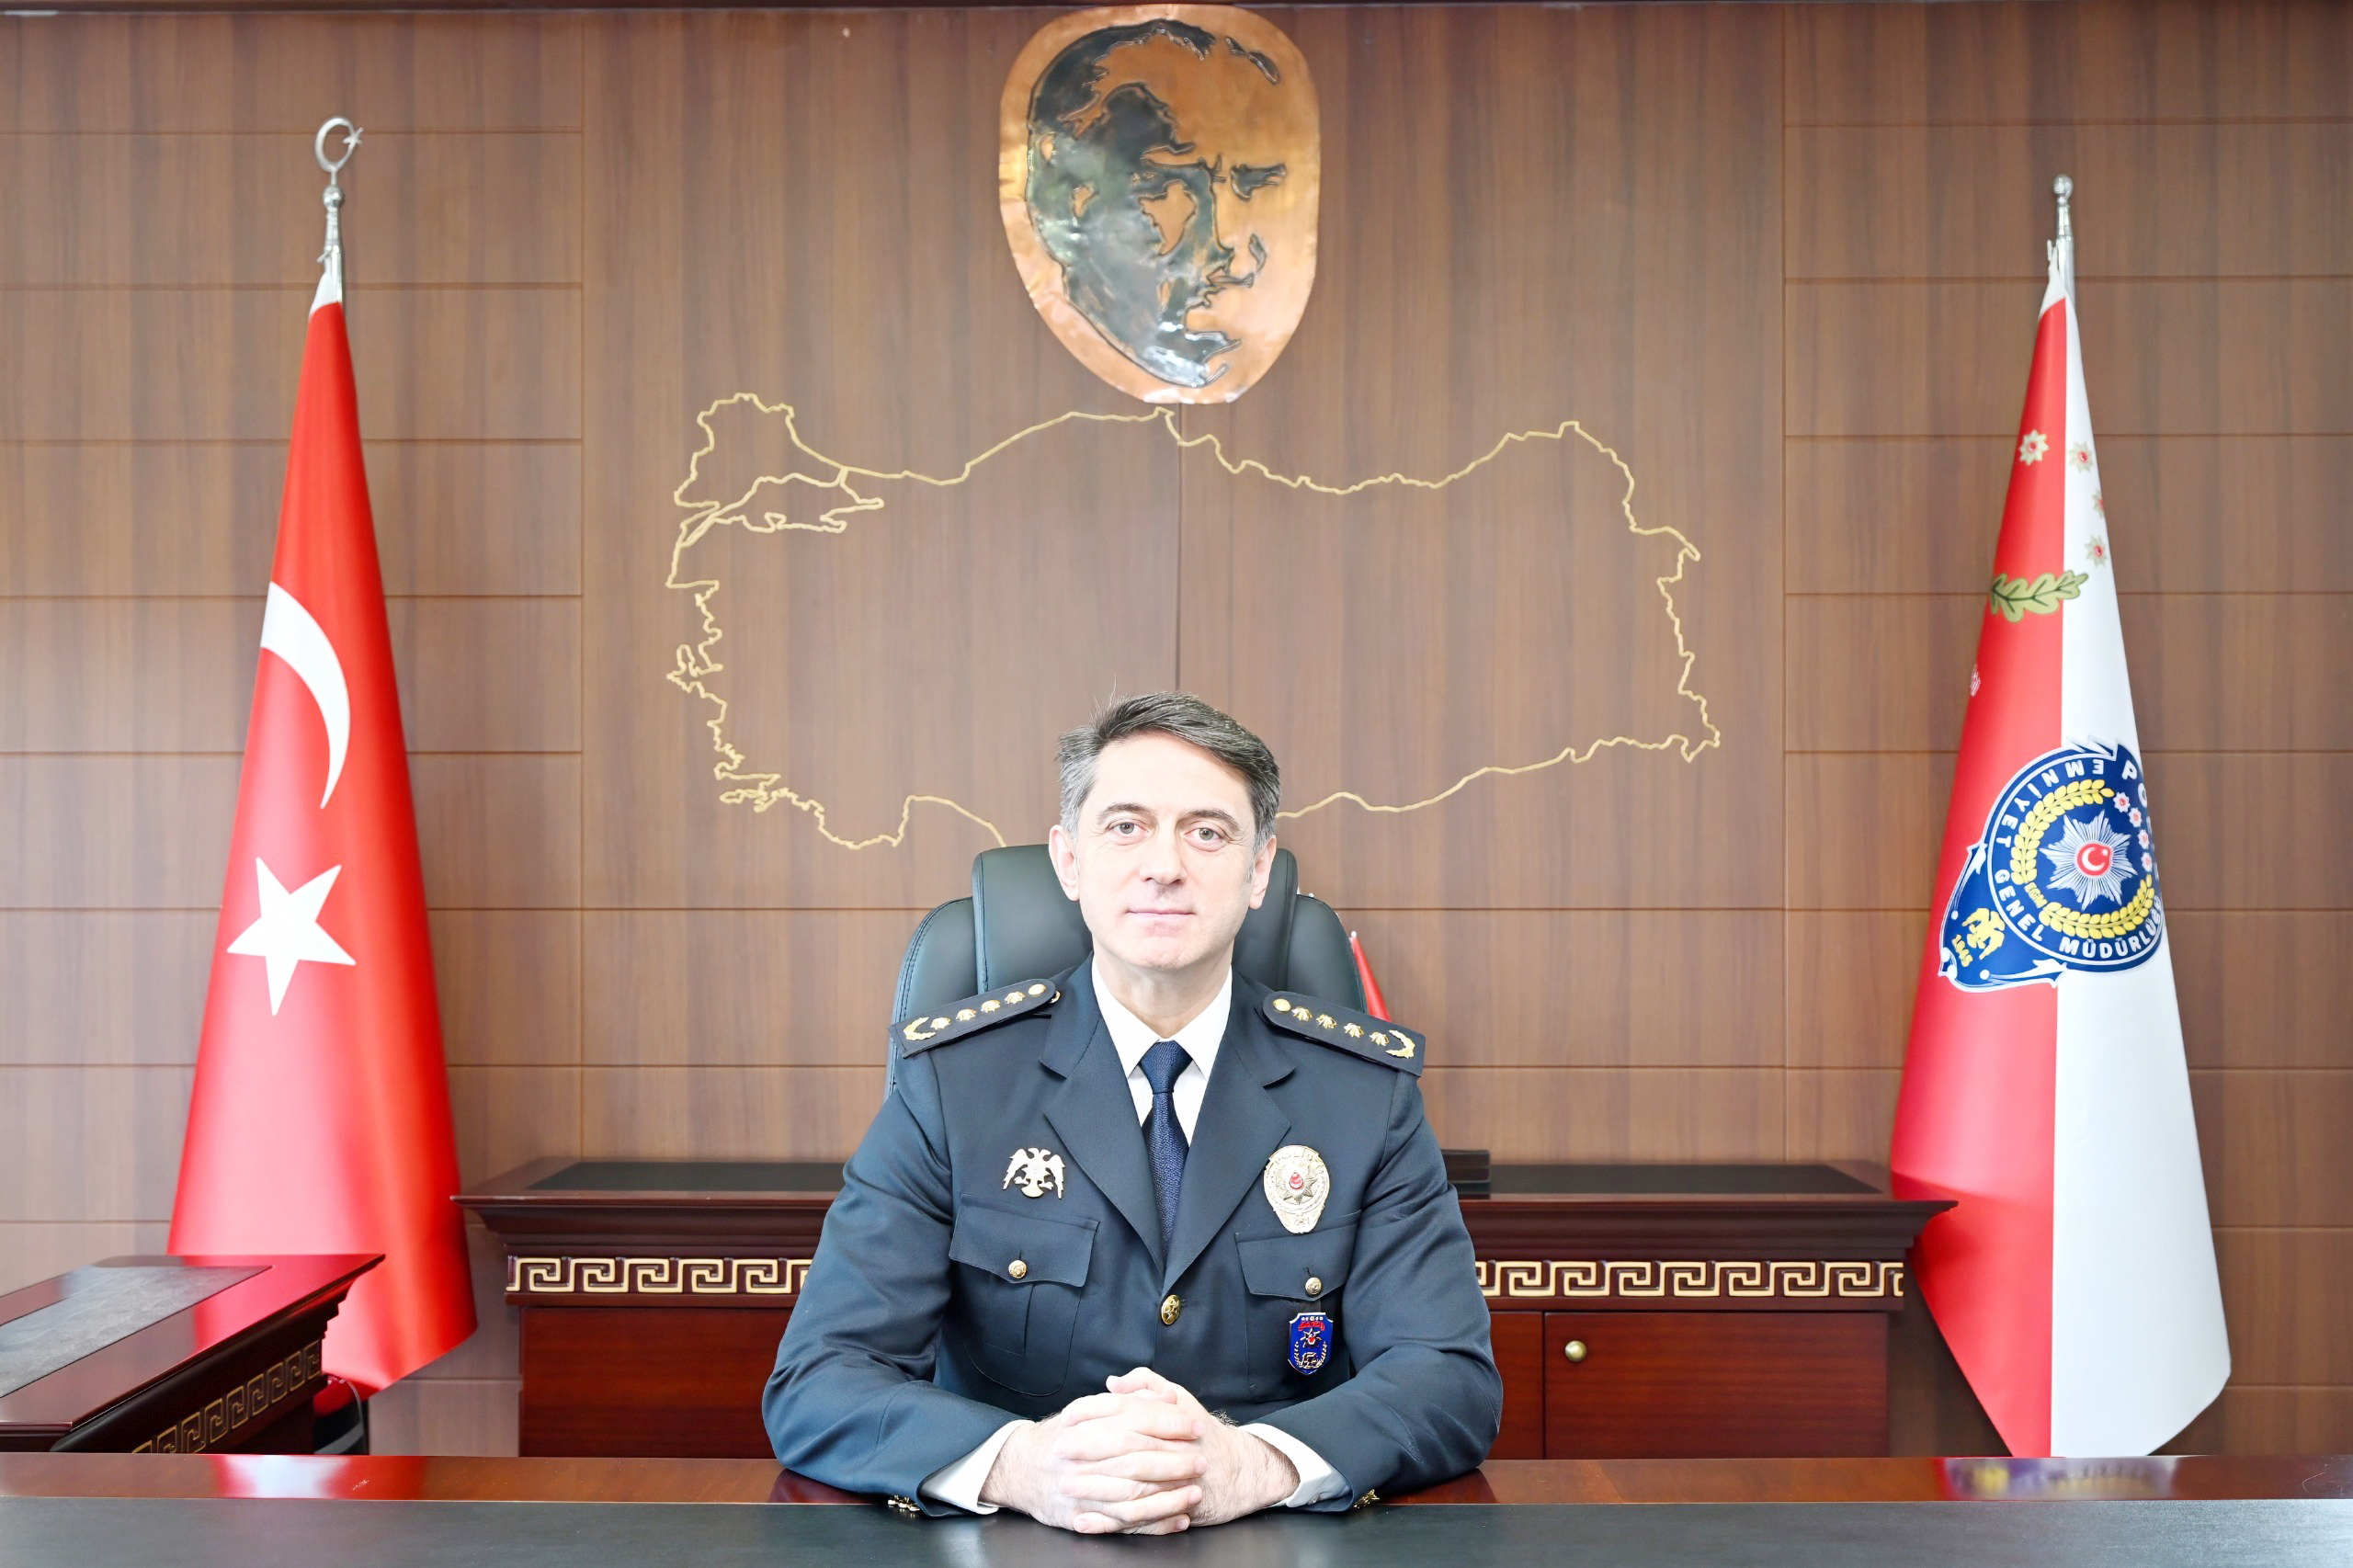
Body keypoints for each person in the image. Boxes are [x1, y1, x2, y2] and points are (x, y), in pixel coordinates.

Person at [764, 693, 1500, 1532]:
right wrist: (1024, 1464)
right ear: (1069, 861)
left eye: (1207, 832)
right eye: (1125, 827)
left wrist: (1253, 1463)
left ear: (1260, 870)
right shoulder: (953, 1086)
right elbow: (821, 1378)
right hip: (1019, 1538)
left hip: (1273, 1536)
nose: (1164, 865)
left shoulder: (1363, 1096)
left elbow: (1449, 1379)